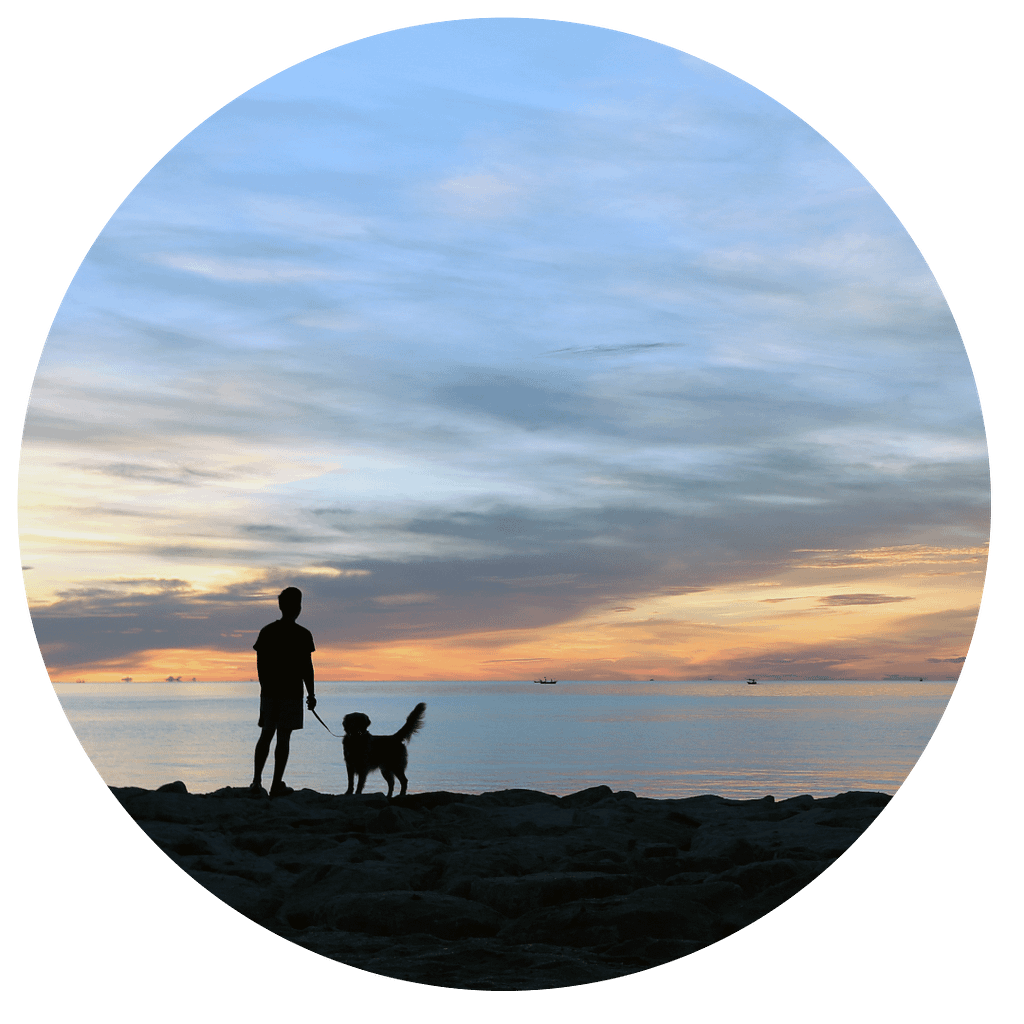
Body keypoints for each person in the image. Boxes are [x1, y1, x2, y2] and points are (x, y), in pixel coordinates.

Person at [250, 587, 316, 797]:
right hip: (291, 692)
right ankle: (276, 784)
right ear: (298, 608)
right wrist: (311, 694)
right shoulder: (303, 634)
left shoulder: (267, 631)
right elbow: (307, 667)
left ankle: (256, 781)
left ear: (280, 606)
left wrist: (265, 687)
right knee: (283, 738)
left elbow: (260, 665)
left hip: (270, 692)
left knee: (266, 734)